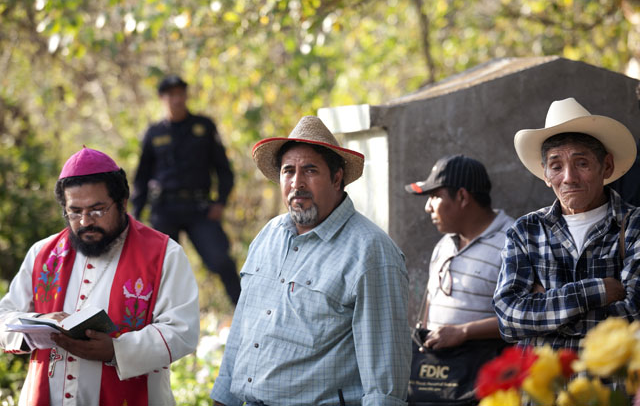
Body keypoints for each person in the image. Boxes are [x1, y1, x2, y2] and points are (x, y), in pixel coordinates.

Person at [210, 116, 411, 406]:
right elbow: (242, 331)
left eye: (310, 170)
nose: (297, 183)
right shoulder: (268, 236)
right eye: (288, 171)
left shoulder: (371, 252)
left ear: (337, 177)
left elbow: (385, 385)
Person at [0, 147, 200, 405]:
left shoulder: (164, 254)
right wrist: (39, 322)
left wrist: (117, 350)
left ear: (123, 202)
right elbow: (3, 317)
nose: (84, 222)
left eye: (97, 210)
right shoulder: (43, 253)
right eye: (74, 211)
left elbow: (182, 330)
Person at [493, 97, 640, 350]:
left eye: (581, 163)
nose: (569, 178)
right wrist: (598, 290)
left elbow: (633, 315)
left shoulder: (634, 225)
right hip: (543, 387)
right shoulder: (526, 231)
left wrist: (543, 315)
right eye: (556, 166)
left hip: (610, 388)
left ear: (606, 166)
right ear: (545, 175)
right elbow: (509, 319)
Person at [132, 74, 240, 304]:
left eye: (180, 94)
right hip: (165, 209)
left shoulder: (203, 127)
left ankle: (246, 313)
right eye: (171, 95)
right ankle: (159, 324)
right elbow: (141, 178)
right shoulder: (154, 133)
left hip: (199, 208)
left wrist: (220, 201)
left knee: (221, 260)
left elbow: (223, 170)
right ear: (162, 98)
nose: (177, 99)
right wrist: (135, 216)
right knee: (161, 271)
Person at [404, 155, 513, 349]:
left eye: (435, 196)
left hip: (484, 374)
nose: (427, 207)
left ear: (462, 197)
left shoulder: (514, 243)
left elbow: (526, 318)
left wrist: (464, 332)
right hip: (439, 373)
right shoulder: (444, 244)